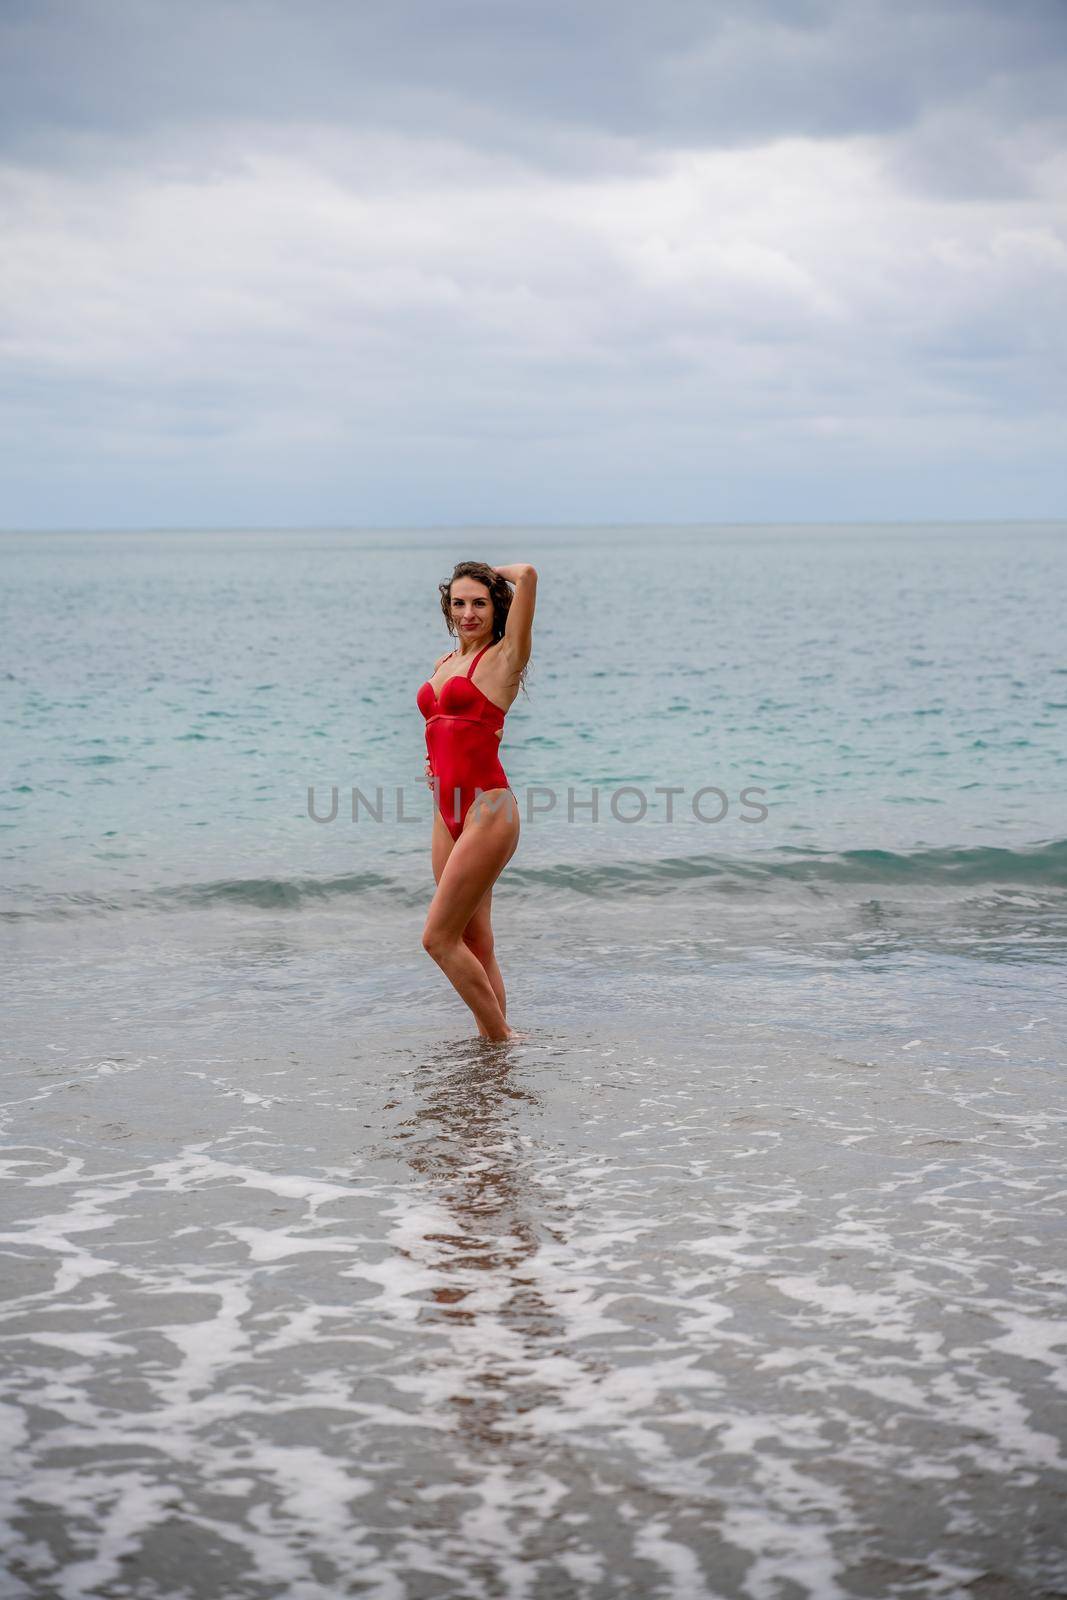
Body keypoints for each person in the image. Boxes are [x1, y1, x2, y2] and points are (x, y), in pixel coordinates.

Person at [416, 560, 537, 1041]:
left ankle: (501, 1036)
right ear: (448, 608)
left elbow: (527, 574)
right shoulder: (444, 664)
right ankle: (494, 1053)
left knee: (437, 938)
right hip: (446, 813)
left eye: (480, 603)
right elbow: (442, 731)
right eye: (459, 603)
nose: (468, 613)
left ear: (496, 607)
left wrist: (491, 570)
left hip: (489, 808)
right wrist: (433, 768)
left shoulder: (506, 656)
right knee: (474, 938)